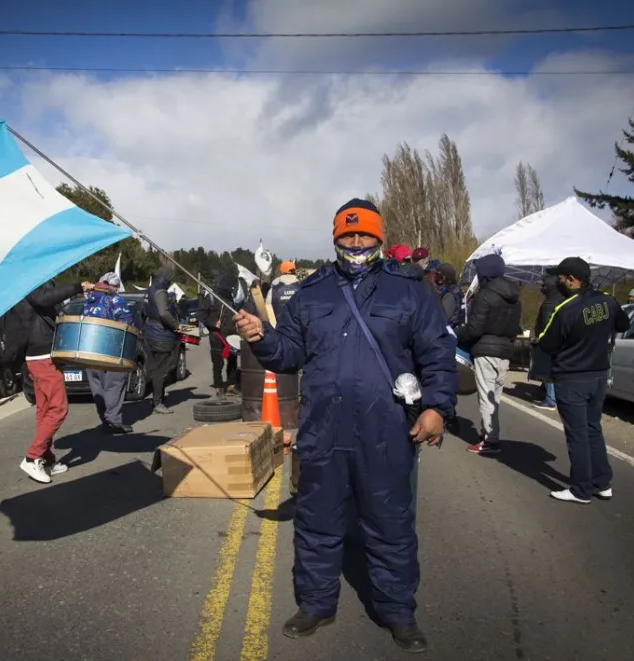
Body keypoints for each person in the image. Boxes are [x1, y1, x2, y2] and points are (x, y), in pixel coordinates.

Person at [233, 198, 457, 653]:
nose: (355, 243)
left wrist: (437, 407)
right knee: (317, 522)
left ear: (378, 237)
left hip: (387, 432)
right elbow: (290, 353)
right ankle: (316, 603)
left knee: (391, 525)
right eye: (347, 235)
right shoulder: (311, 292)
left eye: (364, 235)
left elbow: (437, 353)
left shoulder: (409, 291)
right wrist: (264, 338)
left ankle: (398, 612)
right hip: (323, 431)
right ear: (335, 238)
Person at [538, 257, 629, 503]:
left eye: (560, 278)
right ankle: (602, 482)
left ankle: (581, 488)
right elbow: (624, 323)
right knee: (593, 429)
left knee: (577, 434)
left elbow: (546, 342)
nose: (557, 282)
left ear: (572, 279)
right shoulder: (608, 301)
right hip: (599, 375)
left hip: (572, 378)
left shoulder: (566, 309)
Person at [20, 277, 94, 483]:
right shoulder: (32, 277)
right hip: (41, 354)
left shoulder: (35, 276)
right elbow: (43, 299)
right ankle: (32, 457)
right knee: (58, 408)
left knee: (44, 410)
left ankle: (46, 459)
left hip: (40, 353)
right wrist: (77, 287)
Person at [455, 253, 522, 455]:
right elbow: (515, 328)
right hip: (505, 351)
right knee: (495, 397)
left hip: (485, 350)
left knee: (485, 396)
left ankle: (490, 440)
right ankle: (491, 434)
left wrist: (455, 334)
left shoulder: (485, 295)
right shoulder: (515, 297)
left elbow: (474, 329)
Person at [83, 272, 135, 434]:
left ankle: (105, 418)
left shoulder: (89, 300)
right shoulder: (114, 299)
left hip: (90, 349)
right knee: (114, 384)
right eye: (115, 286)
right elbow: (127, 321)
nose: (117, 289)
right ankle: (113, 421)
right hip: (111, 348)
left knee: (97, 386)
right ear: (108, 285)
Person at [142, 263, 180, 414]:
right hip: (160, 335)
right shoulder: (160, 291)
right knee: (161, 370)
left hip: (149, 332)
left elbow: (144, 310)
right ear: (167, 278)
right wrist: (176, 325)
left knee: (154, 369)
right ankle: (157, 402)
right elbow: (164, 313)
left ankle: (158, 398)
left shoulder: (149, 289)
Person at [529, 274, 566, 410]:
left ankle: (550, 399)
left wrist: (541, 338)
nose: (541, 288)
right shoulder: (560, 298)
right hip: (558, 341)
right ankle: (548, 394)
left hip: (549, 341)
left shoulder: (550, 302)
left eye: (543, 285)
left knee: (548, 369)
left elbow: (546, 322)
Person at [199, 273, 239, 397]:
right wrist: (213, 323)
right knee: (217, 363)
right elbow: (202, 314)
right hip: (217, 335)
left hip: (231, 334)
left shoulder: (231, 297)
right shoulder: (211, 297)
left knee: (232, 361)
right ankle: (218, 386)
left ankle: (231, 385)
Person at [435, 263, 464, 328]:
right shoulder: (454, 290)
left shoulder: (450, 295)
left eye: (437, 275)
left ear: (444, 278)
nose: (435, 277)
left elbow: (442, 318)